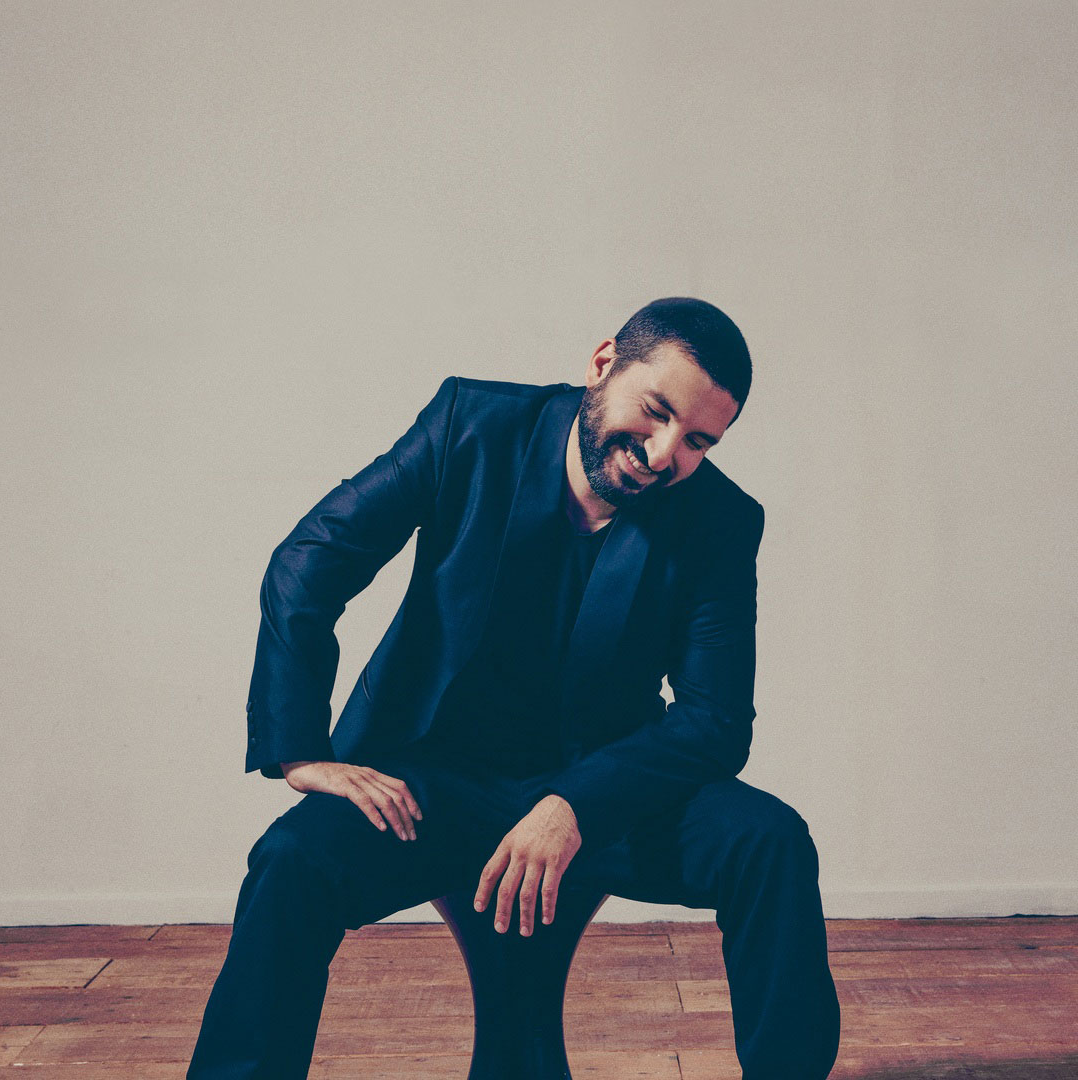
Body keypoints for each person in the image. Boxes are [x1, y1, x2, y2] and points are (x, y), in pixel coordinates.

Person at [187, 297, 841, 1079]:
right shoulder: (471, 424)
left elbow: (715, 721)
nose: (665, 453)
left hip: (605, 792)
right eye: (657, 411)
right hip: (430, 780)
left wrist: (574, 805)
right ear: (603, 364)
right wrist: (299, 751)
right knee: (291, 860)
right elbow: (309, 562)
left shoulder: (721, 519)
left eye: (698, 440)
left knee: (771, 843)